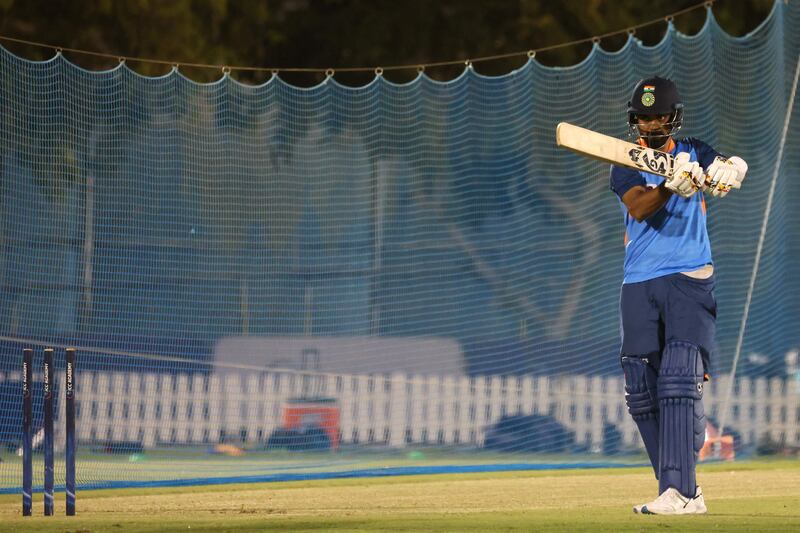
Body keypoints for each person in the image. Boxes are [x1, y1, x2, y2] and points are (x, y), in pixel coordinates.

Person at [609, 76, 748, 515]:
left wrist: (732, 168)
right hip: (639, 281)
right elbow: (639, 207)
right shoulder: (623, 161)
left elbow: (723, 171)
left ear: (673, 117)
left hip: (689, 277)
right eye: (644, 116)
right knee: (641, 391)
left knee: (678, 379)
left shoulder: (693, 150)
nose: (651, 123)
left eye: (659, 116)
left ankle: (681, 492)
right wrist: (670, 186)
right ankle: (681, 488)